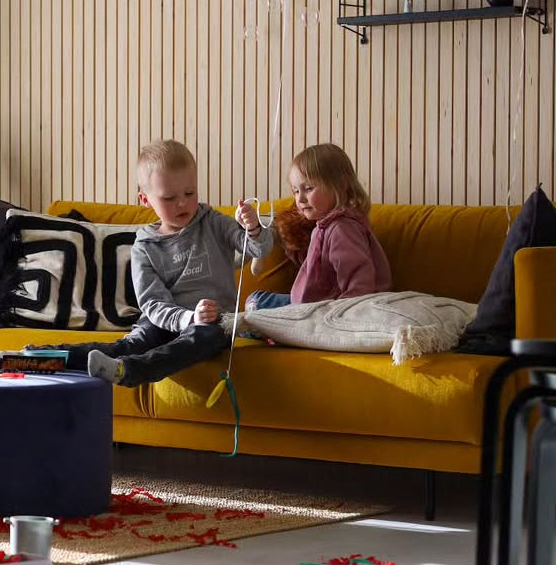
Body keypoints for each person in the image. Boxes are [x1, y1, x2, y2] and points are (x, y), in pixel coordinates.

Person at [46, 139, 274, 386]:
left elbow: (258, 248)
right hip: (162, 321)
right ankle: (44, 356)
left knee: (206, 336)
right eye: (169, 198)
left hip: (212, 323)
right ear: (145, 200)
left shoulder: (213, 222)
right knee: (132, 344)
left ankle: (126, 371)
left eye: (190, 193)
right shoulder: (145, 246)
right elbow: (152, 303)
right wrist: (187, 317)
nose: (182, 203)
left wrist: (253, 228)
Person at [246, 142, 391, 312]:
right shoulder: (326, 226)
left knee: (255, 302)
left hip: (330, 311)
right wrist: (292, 242)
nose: (300, 199)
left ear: (341, 184)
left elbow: (359, 283)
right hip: (317, 305)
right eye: (295, 191)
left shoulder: (342, 229)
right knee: (255, 302)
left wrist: (343, 319)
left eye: (308, 188)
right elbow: (318, 272)